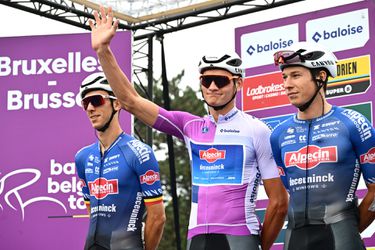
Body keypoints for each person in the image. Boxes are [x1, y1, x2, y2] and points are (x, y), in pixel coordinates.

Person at [87, 6, 288, 250]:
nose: (212, 86)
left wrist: (259, 247)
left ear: (239, 84)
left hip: (240, 238)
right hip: (197, 239)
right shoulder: (190, 126)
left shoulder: (257, 130)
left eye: (221, 80)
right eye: (206, 80)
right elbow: (130, 102)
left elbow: (278, 203)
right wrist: (103, 51)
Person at [270, 41, 375, 250]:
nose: (286, 84)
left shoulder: (353, 123)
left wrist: (349, 229)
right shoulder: (278, 135)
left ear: (321, 76)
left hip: (341, 237)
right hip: (295, 239)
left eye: (296, 75)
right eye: (284, 77)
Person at [75, 72, 166, 250]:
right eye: (85, 103)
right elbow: (92, 212)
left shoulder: (139, 153)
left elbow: (157, 217)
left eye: (97, 100)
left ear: (117, 103)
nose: (90, 108)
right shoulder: (82, 157)